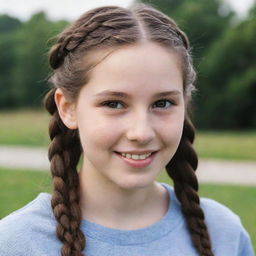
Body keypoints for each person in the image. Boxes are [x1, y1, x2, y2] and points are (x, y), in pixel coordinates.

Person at [0, 3, 254, 256]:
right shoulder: (18, 243)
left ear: (184, 105)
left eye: (162, 103)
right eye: (114, 104)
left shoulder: (223, 233)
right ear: (68, 108)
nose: (141, 133)